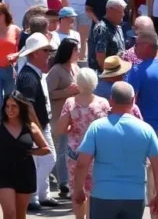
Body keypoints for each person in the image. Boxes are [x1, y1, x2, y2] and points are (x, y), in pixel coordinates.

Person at [74, 82, 158, 219]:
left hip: (103, 195)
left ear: (111, 100)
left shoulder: (97, 127)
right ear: (133, 100)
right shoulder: (146, 129)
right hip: (134, 196)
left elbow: (82, 163)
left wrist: (79, 188)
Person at [0, 93, 52, 219]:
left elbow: (46, 149)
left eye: (14, 106)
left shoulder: (30, 127)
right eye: (7, 106)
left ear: (21, 107)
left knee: (21, 215)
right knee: (10, 212)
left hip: (25, 172)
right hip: (3, 172)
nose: (10, 110)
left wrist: (32, 151)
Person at [56, 68, 110, 219]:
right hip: (97, 153)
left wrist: (71, 127)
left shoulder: (70, 103)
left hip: (75, 152)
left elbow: (60, 128)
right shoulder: (103, 103)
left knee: (77, 189)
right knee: (94, 190)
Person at [16, 32, 62, 210]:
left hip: (41, 125)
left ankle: (42, 195)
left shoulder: (34, 73)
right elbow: (27, 106)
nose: (48, 55)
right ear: (35, 53)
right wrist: (37, 130)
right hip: (36, 127)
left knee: (43, 161)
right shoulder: (28, 77)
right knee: (48, 159)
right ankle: (31, 195)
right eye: (45, 51)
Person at [47, 37, 81, 198]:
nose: (78, 53)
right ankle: (63, 183)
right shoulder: (56, 70)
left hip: (74, 115)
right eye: (76, 50)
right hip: (59, 116)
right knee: (61, 150)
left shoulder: (75, 67)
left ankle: (60, 175)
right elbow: (49, 93)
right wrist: (67, 92)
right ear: (68, 51)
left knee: (69, 149)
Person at [90, 0, 127, 70]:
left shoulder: (118, 27)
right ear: (110, 10)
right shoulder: (102, 29)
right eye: (120, 11)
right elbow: (100, 59)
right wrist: (109, 75)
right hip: (106, 75)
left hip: (118, 71)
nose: (123, 14)